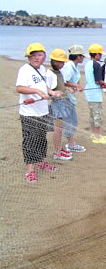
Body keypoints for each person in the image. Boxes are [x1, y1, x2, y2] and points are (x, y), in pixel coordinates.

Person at [16, 43, 62, 182]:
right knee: (30, 140)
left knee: (42, 138)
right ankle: (30, 170)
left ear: (44, 56)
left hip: (42, 111)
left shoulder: (42, 69)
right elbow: (19, 88)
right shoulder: (24, 70)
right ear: (29, 57)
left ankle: (41, 162)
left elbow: (44, 85)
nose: (36, 58)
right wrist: (37, 92)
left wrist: (51, 92)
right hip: (29, 112)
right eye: (33, 55)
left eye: (39, 55)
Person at [45, 48, 73, 161]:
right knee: (57, 129)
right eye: (61, 62)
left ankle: (59, 149)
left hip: (63, 101)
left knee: (61, 128)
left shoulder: (58, 72)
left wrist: (67, 88)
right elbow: (47, 88)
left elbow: (60, 84)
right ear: (54, 61)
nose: (63, 64)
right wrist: (53, 93)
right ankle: (57, 152)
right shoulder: (50, 73)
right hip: (57, 103)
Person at [61, 45, 87, 153]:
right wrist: (75, 86)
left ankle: (71, 143)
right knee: (71, 121)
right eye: (82, 56)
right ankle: (71, 144)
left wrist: (78, 86)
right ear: (78, 56)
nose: (83, 58)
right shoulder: (69, 66)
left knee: (72, 121)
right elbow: (63, 81)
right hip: (66, 98)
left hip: (71, 97)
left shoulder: (75, 66)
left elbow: (75, 80)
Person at [84, 44, 106, 144]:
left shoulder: (88, 63)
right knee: (97, 115)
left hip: (89, 92)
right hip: (95, 93)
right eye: (100, 54)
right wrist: (104, 83)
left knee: (92, 115)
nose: (101, 56)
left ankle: (93, 134)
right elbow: (98, 80)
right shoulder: (96, 64)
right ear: (96, 55)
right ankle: (97, 136)